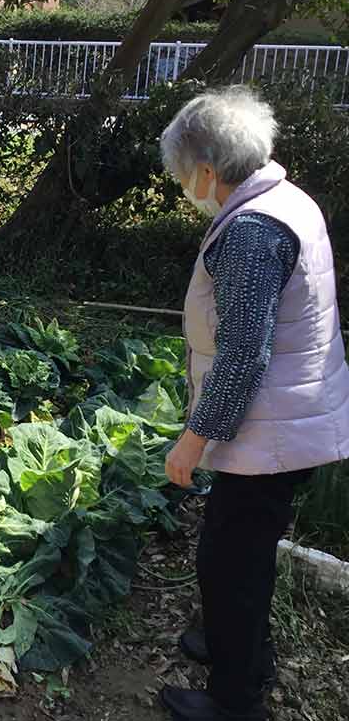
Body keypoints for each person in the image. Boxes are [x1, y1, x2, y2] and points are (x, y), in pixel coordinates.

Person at [158, 86, 349, 721]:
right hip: (287, 418)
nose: (187, 187)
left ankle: (236, 701)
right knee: (240, 549)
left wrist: (195, 438)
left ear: (208, 170)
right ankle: (232, 646)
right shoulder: (286, 198)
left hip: (270, 432)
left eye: (185, 175)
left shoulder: (251, 231)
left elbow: (244, 354)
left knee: (230, 561)